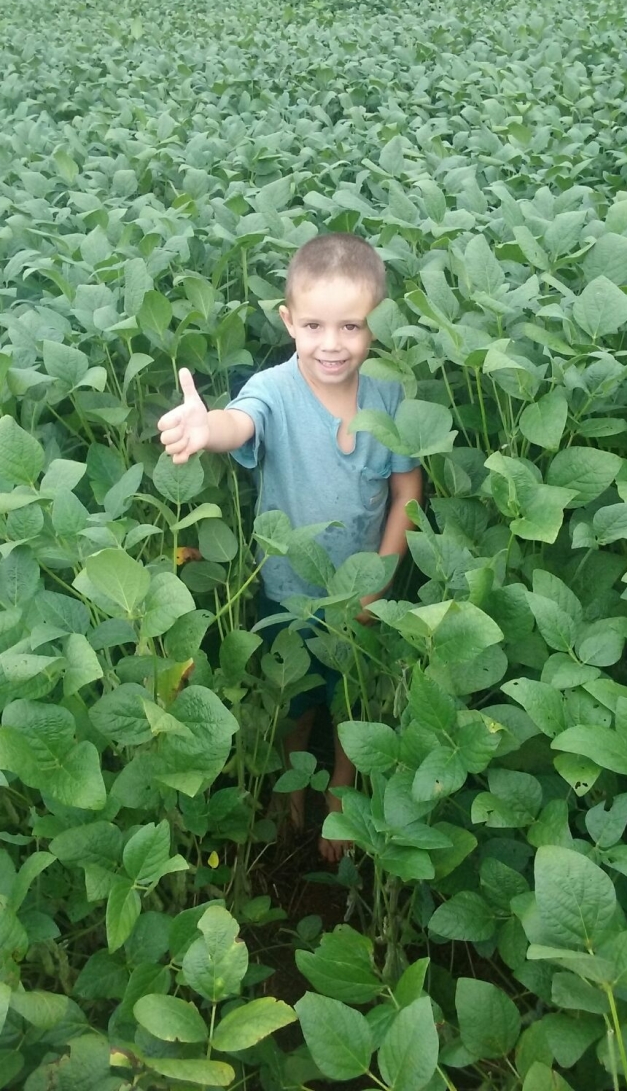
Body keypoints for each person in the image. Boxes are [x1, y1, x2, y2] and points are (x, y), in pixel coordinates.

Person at [158, 233, 422, 861]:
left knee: (350, 697)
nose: (332, 343)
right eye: (314, 325)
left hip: (364, 591)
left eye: (352, 326)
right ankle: (291, 783)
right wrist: (206, 425)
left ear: (376, 326)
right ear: (288, 322)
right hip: (289, 590)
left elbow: (408, 488)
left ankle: (339, 790)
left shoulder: (387, 394)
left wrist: (381, 578)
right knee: (295, 696)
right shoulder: (275, 388)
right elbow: (238, 422)